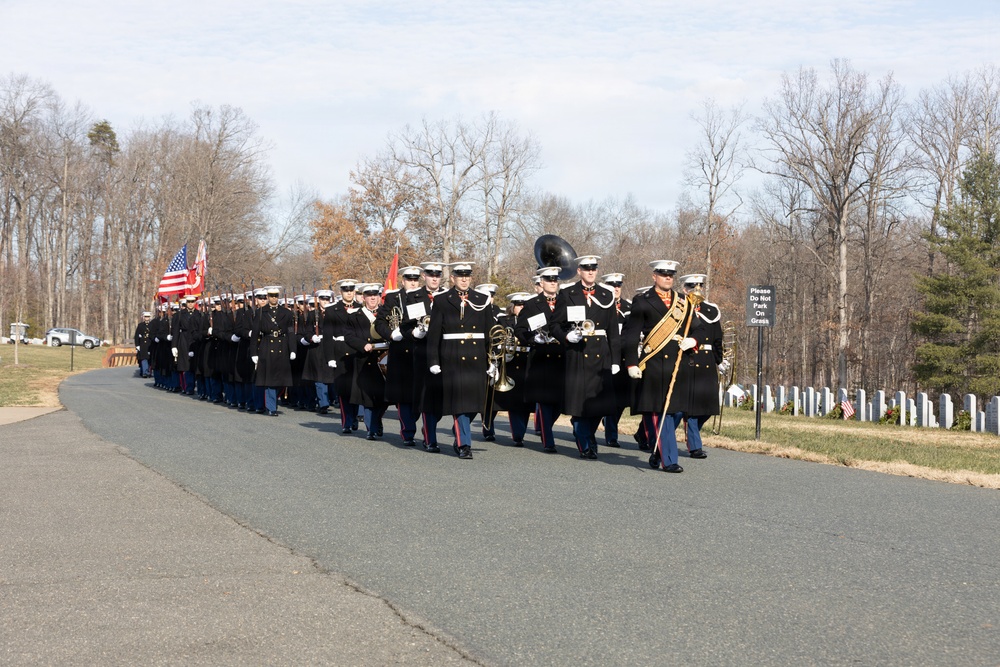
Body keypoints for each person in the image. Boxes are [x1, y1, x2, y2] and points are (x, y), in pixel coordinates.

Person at [622, 260, 691, 473]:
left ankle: (658, 450)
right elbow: (631, 334)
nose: (668, 277)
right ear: (654, 276)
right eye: (663, 274)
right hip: (653, 362)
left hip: (678, 363)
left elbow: (696, 328)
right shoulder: (643, 301)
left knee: (677, 411)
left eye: (671, 274)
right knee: (660, 412)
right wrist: (632, 362)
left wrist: (694, 341)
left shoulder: (683, 302)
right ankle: (669, 460)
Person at [551, 255, 621, 459]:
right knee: (580, 403)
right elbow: (554, 325)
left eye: (594, 268)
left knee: (600, 404)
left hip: (601, 355)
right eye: (586, 268)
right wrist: (566, 336)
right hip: (578, 353)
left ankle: (587, 434)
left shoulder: (606, 294)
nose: (591, 271)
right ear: (579, 271)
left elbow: (613, 331)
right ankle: (585, 442)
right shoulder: (567, 293)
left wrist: (616, 360)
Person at [425, 261, 493, 459]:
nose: (464, 278)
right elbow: (434, 334)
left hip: (477, 357)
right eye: (460, 275)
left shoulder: (482, 299)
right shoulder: (442, 300)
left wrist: (493, 361)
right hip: (452, 357)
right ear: (453, 278)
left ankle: (460, 436)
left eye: (467, 275)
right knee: (460, 404)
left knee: (474, 404)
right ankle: (464, 444)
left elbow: (490, 333)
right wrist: (433, 360)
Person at [513, 267, 566, 453]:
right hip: (541, 358)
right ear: (541, 282)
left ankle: (546, 429)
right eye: (549, 279)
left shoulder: (565, 301)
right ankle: (548, 440)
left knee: (559, 402)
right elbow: (519, 329)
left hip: (562, 356)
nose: (553, 282)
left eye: (555, 279)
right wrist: (531, 338)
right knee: (544, 401)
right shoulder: (532, 304)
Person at [674, 274, 725, 460]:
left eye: (699, 286)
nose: (696, 289)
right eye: (691, 286)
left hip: (707, 361)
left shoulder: (711, 310)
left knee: (708, 407)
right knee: (692, 410)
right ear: (684, 288)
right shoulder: (678, 307)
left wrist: (718, 360)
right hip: (687, 360)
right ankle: (694, 446)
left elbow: (718, 338)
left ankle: (675, 432)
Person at [375, 266, 423, 446]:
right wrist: (390, 334)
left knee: (418, 395)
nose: (412, 282)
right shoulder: (393, 297)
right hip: (401, 351)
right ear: (403, 281)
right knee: (403, 396)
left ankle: (415, 422)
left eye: (415, 279)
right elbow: (379, 322)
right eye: (409, 279)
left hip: (420, 351)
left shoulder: (424, 296)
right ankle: (408, 432)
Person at [344, 283, 390, 440]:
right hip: (365, 360)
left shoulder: (386, 314)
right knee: (368, 397)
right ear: (363, 298)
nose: (373, 298)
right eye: (369, 296)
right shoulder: (354, 316)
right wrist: (362, 344)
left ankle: (377, 420)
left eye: (375, 295)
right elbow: (348, 336)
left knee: (384, 398)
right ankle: (371, 428)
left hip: (384, 359)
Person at [411, 262, 446, 452]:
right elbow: (406, 325)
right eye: (431, 274)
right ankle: (430, 438)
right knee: (427, 398)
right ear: (424, 276)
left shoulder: (448, 297)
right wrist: (415, 332)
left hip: (444, 353)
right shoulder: (414, 296)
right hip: (423, 353)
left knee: (441, 399)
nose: (434, 278)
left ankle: (430, 426)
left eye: (438, 275)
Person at [494, 292, 534, 446]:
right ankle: (517, 433)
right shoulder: (504, 320)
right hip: (511, 361)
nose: (522, 307)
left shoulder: (531, 319)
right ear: (512, 306)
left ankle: (520, 431)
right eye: (519, 304)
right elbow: (497, 339)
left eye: (524, 304)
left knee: (525, 400)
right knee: (515, 400)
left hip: (527, 360)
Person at [250, 286, 295, 416]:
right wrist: (254, 353)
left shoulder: (287, 313)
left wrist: (293, 349)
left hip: (282, 346)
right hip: (267, 346)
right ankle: (271, 407)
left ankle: (272, 402)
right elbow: (255, 334)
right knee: (269, 379)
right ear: (268, 297)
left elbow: (290, 332)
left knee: (281, 379)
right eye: (271, 296)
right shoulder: (260, 312)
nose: (273, 298)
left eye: (276, 296)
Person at [600, 272, 630, 447]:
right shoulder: (601, 306)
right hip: (604, 355)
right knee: (606, 398)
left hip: (622, 358)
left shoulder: (628, 307)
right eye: (612, 285)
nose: (616, 288)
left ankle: (608, 422)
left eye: (618, 285)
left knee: (621, 401)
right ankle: (611, 436)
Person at [134, 311, 153, 378]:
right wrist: (137, 345)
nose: (146, 318)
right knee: (144, 358)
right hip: (143, 345)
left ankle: (149, 371)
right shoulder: (140, 325)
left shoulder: (152, 325)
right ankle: (145, 372)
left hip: (150, 344)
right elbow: (136, 336)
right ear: (143, 317)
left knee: (150, 359)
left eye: (148, 317)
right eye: (145, 317)